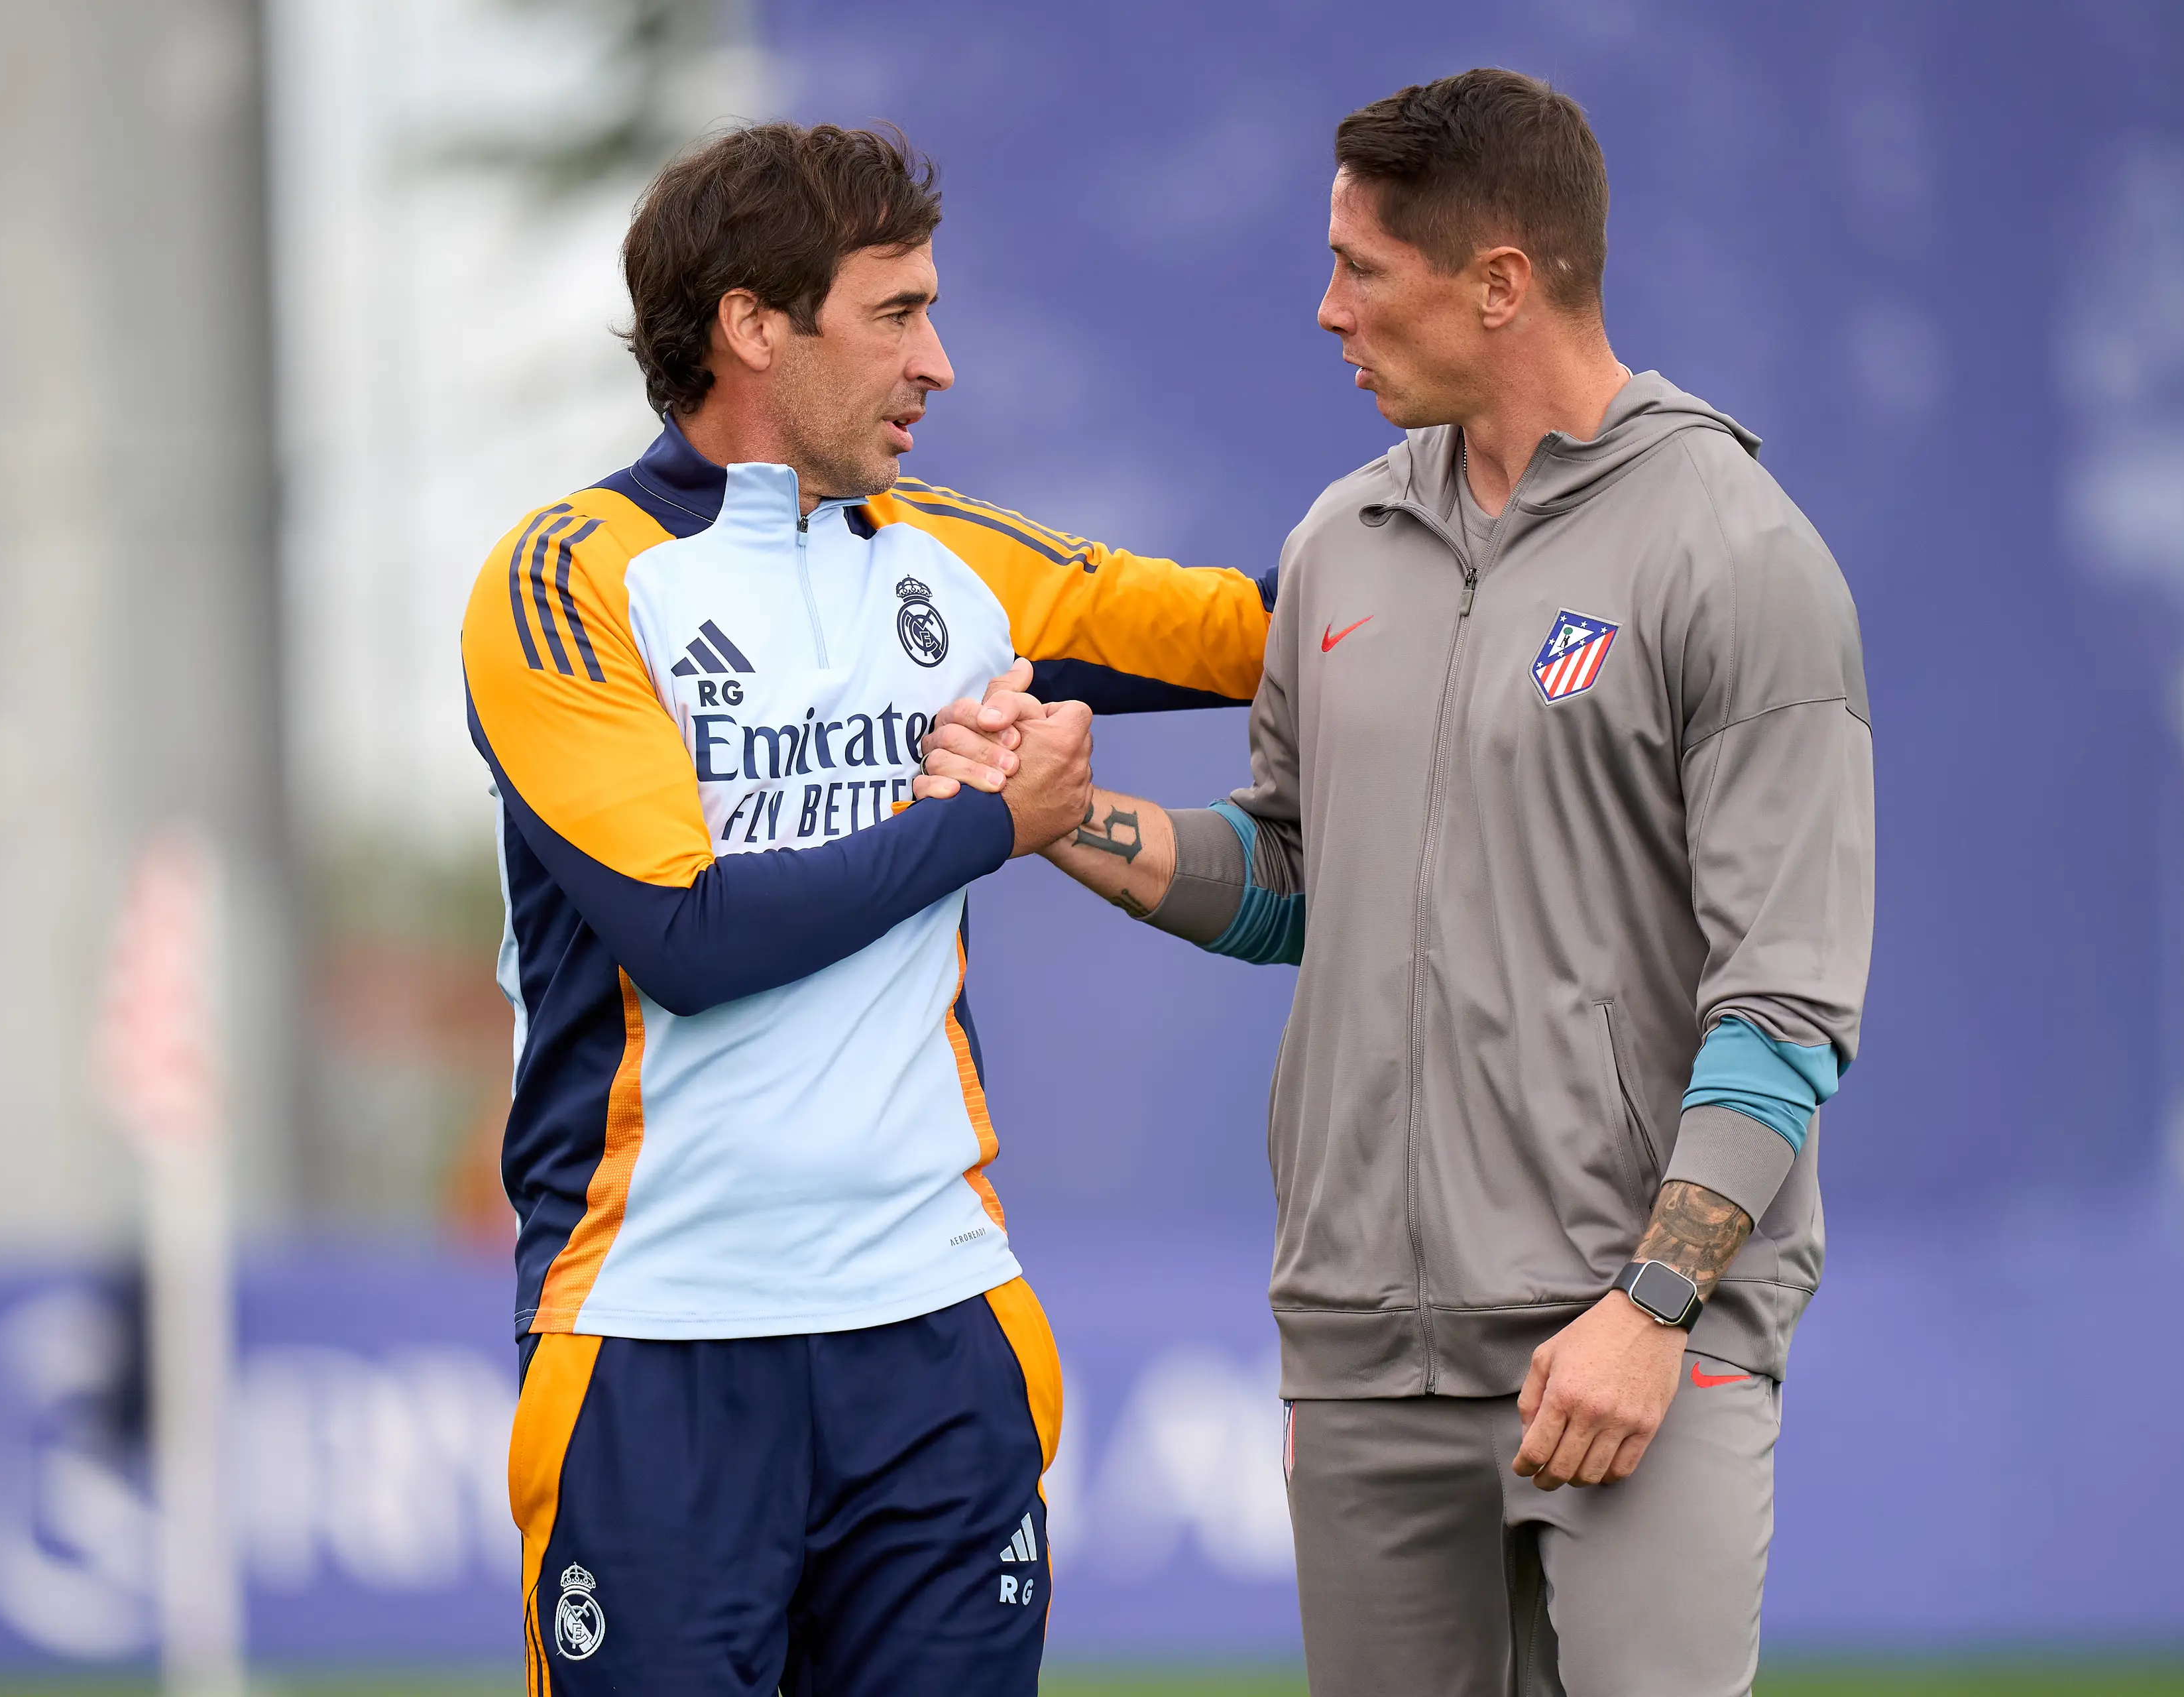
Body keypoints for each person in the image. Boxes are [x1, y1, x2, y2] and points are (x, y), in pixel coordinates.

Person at [921, 70, 1873, 1697]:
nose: (1325, 308)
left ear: (1501, 281)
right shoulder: (1341, 543)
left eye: (1364, 269)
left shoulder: (1736, 548)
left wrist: (1653, 1304)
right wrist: (1060, 819)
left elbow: (1785, 994)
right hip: (1366, 1348)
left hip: (1633, 1334)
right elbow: (1296, 878)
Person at [461, 121, 1271, 1696]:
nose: (940, 362)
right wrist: (986, 822)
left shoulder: (954, 559)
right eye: (896, 312)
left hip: (934, 1327)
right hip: (656, 1340)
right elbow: (688, 940)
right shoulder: (565, 577)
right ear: (756, 325)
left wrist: (1549, 542)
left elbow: (1274, 631)